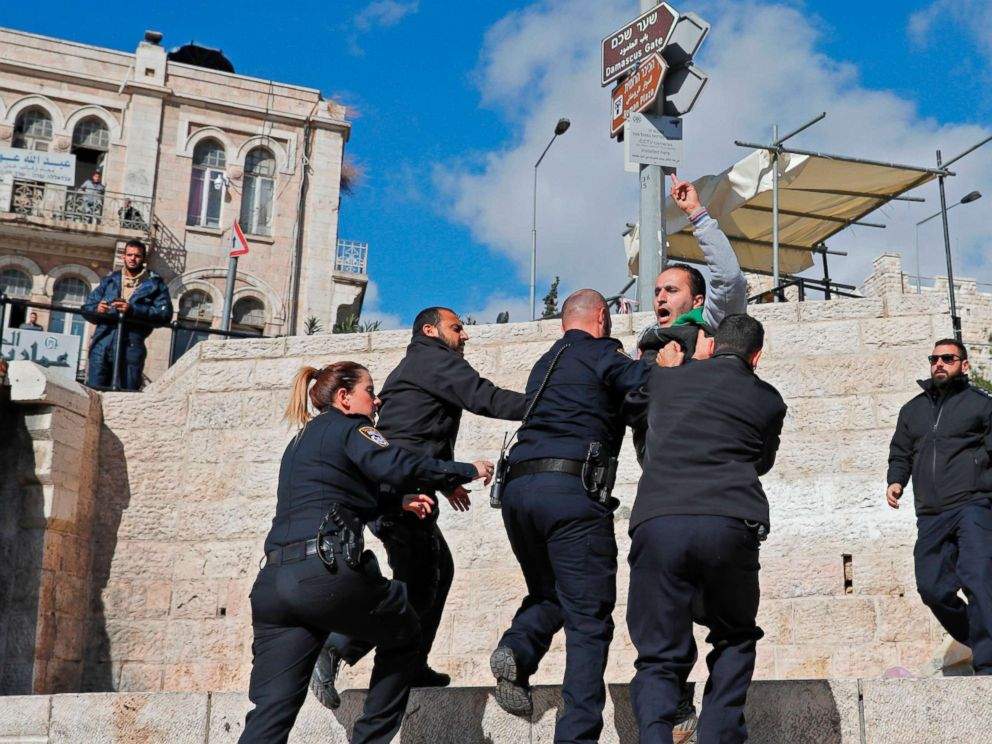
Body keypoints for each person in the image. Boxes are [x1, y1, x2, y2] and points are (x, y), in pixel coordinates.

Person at [239, 362, 493, 743]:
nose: (377, 401)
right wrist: (464, 470)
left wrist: (397, 503)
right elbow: (399, 464)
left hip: (273, 587)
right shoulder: (352, 428)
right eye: (369, 391)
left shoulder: (300, 441)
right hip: (324, 575)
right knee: (407, 628)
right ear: (344, 397)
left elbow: (336, 494)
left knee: (270, 715)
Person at [310, 307, 527, 708]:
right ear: (430, 330)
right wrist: (546, 405)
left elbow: (417, 430)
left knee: (436, 573)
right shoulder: (433, 359)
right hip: (400, 493)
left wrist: (445, 482)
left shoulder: (419, 365)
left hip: (402, 488)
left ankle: (411, 663)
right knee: (417, 584)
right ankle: (335, 647)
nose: (464, 335)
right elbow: (485, 398)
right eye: (456, 328)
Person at [489, 289, 651, 742]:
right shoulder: (602, 353)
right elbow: (644, 382)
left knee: (549, 591)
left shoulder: (545, 363)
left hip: (519, 492)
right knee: (589, 619)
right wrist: (665, 361)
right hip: (570, 493)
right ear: (601, 317)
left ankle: (518, 650)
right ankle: (576, 734)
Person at [627, 314, 786, 744]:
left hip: (659, 521)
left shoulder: (665, 379)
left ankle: (656, 736)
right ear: (757, 356)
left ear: (712, 346)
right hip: (730, 521)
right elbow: (762, 462)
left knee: (658, 652)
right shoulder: (769, 399)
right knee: (734, 636)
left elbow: (634, 405)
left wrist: (667, 371)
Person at [886, 338, 992, 675]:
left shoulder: (981, 405)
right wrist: (896, 480)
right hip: (930, 513)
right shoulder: (912, 410)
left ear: (964, 365)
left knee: (978, 579)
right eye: (934, 359)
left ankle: (988, 665)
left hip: (973, 505)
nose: (939, 364)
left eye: (948, 358)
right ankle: (980, 638)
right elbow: (900, 452)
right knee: (931, 588)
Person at [637, 174, 747, 360]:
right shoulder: (645, 343)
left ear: (697, 301)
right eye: (657, 292)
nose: (661, 299)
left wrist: (696, 213)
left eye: (671, 290)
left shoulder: (710, 328)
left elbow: (728, 279)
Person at [81, 239, 172, 391]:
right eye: (129, 255)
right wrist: (97, 309)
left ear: (143, 259)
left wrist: (132, 310)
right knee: (94, 392)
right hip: (102, 342)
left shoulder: (155, 284)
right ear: (123, 256)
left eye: (137, 256)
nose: (132, 259)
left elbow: (165, 314)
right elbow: (86, 308)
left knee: (126, 393)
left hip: (131, 346)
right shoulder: (110, 280)